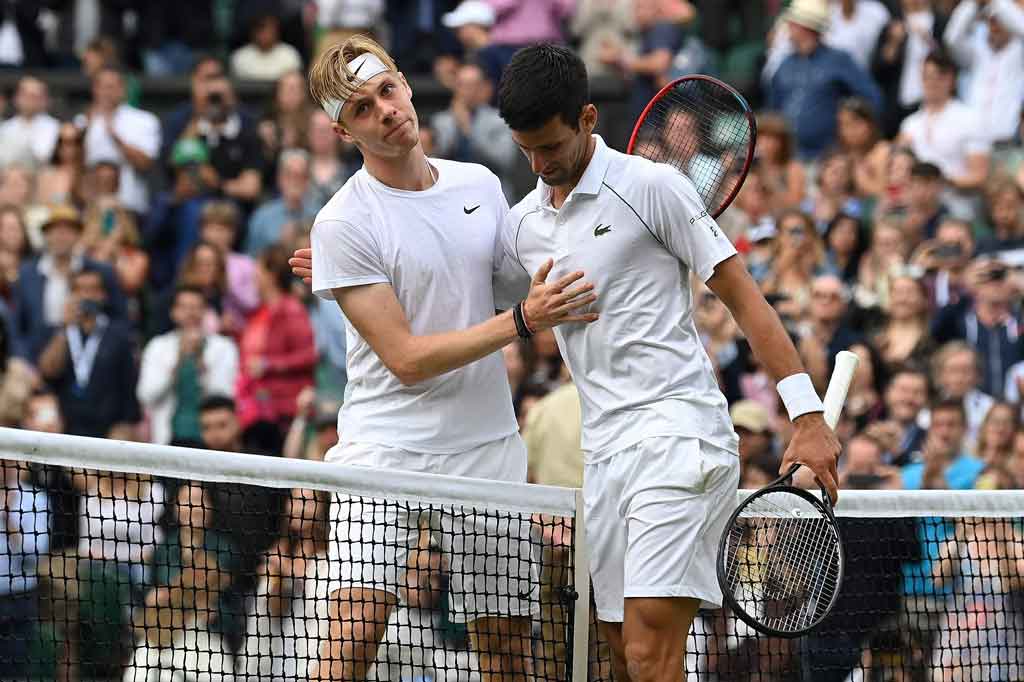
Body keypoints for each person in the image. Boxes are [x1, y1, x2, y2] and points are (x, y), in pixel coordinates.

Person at [495, 44, 841, 682]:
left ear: (589, 118)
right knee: (622, 660)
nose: (541, 164)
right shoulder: (521, 227)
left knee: (651, 657)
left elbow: (747, 301)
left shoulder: (654, 187)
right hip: (604, 454)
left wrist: (808, 416)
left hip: (678, 435)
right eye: (526, 151)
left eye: (550, 145)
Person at [297, 36, 597, 681]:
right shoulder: (343, 223)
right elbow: (405, 359)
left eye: (386, 90)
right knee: (349, 644)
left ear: (404, 83)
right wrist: (521, 323)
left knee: (508, 656)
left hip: (486, 446)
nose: (384, 111)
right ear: (342, 129)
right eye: (360, 109)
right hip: (384, 449)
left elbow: (510, 279)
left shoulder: (480, 183)